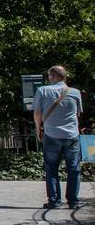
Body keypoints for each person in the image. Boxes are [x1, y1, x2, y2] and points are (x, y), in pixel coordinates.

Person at [33, 65, 84, 209]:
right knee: (73, 168)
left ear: (52, 76)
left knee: (51, 168)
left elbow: (37, 113)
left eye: (49, 76)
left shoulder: (42, 90)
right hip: (71, 136)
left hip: (51, 134)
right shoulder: (75, 92)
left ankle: (54, 201)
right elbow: (77, 114)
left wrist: (38, 130)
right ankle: (73, 201)